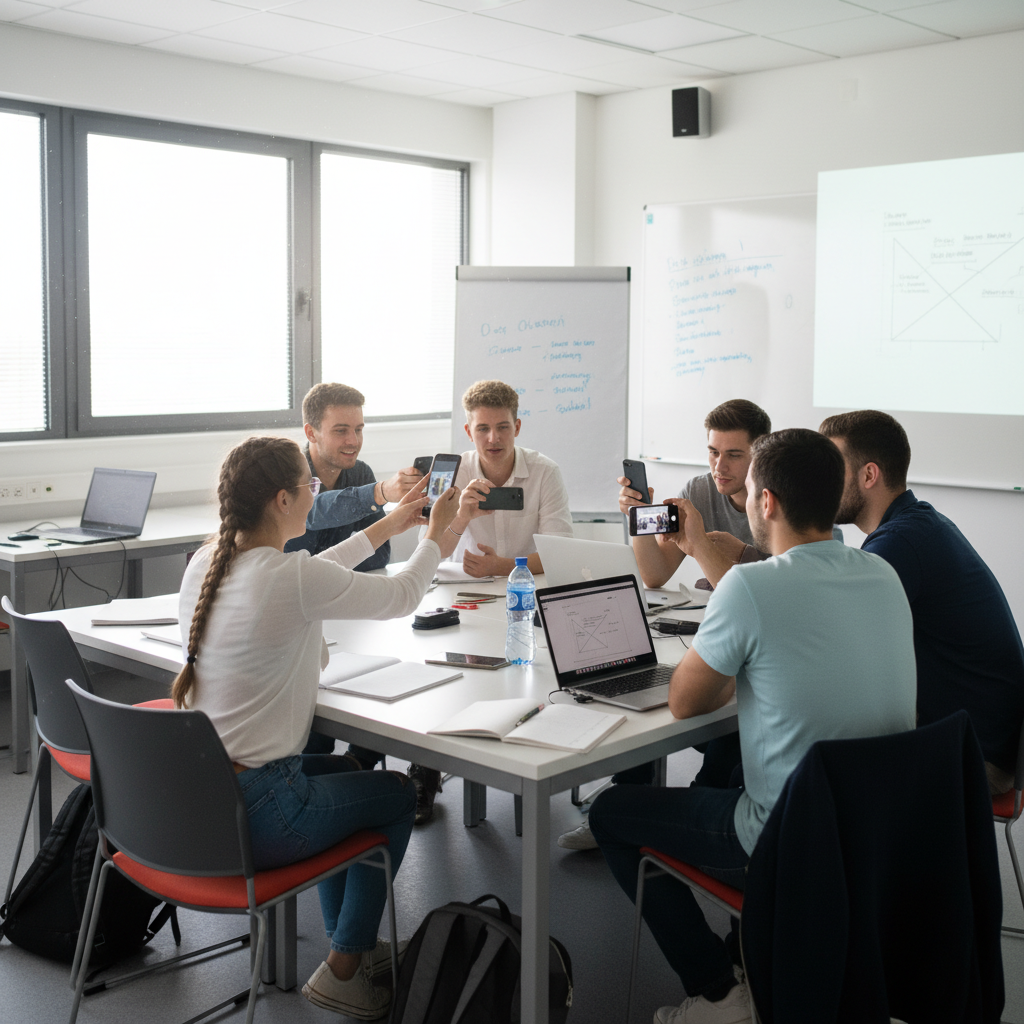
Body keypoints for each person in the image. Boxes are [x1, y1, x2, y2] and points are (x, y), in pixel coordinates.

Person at [589, 429, 917, 1024]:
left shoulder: (750, 585)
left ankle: (719, 993)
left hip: (787, 839)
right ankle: (746, 954)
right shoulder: (882, 574)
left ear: (765, 502)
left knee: (612, 811)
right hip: (878, 829)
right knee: (734, 767)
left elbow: (688, 702)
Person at [175, 435, 461, 1020]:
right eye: (310, 487)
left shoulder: (210, 559)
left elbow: (313, 572)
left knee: (346, 770)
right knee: (397, 795)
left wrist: (392, 524)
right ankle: (345, 968)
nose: (316, 492)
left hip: (204, 802)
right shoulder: (287, 579)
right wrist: (434, 536)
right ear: (284, 500)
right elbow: (404, 594)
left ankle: (346, 946)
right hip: (260, 813)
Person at [558, 399, 773, 852]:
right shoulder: (700, 488)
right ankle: (628, 797)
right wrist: (636, 520)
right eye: (713, 451)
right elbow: (655, 574)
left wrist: (722, 550)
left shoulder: (775, 499)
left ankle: (699, 813)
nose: (719, 465)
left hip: (757, 644)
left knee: (715, 721)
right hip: (708, 628)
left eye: (733, 455)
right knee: (640, 683)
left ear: (761, 455)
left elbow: (771, 598)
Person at [820, 409, 1024, 794]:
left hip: (979, 754)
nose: (822, 484)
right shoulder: (916, 525)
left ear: (869, 475)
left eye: (833, 470)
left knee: (809, 759)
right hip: (985, 736)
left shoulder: (900, 544)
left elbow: (830, 637)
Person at [285, 382, 425, 568]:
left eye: (358, 429)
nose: (353, 441)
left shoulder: (360, 473)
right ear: (311, 433)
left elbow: (380, 556)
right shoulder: (286, 472)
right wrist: (379, 492)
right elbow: (310, 511)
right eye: (341, 431)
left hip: (338, 591)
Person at [445, 379, 573, 579]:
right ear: (469, 432)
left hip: (526, 586)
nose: (493, 438)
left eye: (503, 427)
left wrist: (501, 567)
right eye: (483, 429)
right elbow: (432, 550)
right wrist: (462, 517)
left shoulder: (545, 472)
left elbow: (560, 554)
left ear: (517, 427)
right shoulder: (455, 473)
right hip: (466, 589)